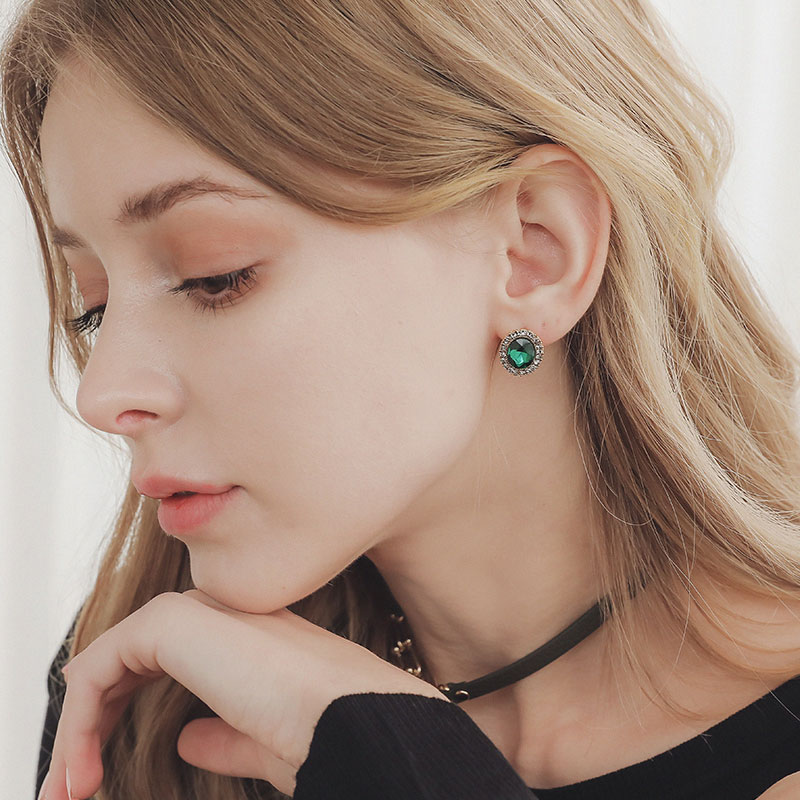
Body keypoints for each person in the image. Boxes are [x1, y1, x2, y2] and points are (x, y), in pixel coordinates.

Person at [3, 0, 800, 798]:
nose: (103, 392)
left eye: (215, 276)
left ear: (535, 253)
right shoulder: (150, 700)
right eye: (93, 305)